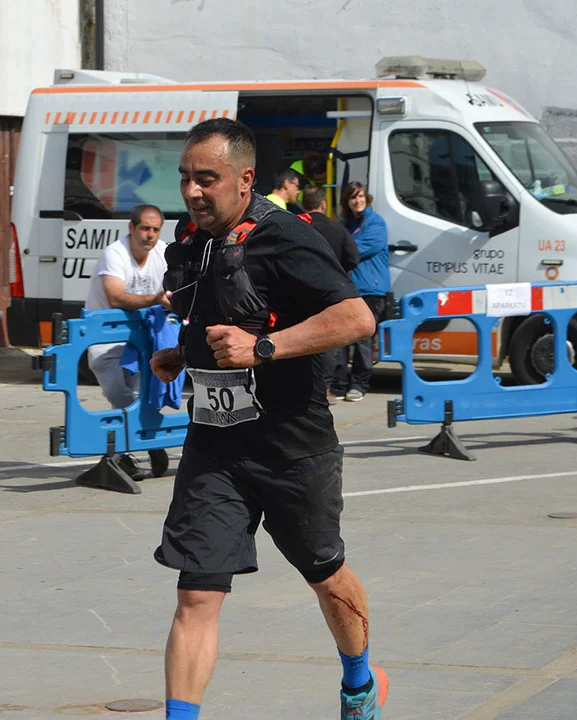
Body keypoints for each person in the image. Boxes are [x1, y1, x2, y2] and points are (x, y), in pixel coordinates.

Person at [149, 118, 387, 720]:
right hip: (215, 445)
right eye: (185, 178)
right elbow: (224, 316)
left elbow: (357, 319)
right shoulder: (195, 240)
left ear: (245, 179)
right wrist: (185, 353)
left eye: (207, 178)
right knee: (196, 593)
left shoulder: (286, 237)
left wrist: (264, 348)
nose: (193, 191)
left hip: (292, 447)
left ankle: (359, 681)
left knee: (325, 575)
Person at [83, 204, 171, 480]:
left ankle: (126, 454)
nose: (150, 235)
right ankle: (145, 442)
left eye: (155, 229)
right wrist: (157, 299)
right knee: (117, 395)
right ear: (131, 228)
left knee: (137, 397)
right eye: (145, 228)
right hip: (105, 340)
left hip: (138, 339)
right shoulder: (114, 253)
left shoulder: (162, 252)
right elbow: (115, 297)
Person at [300, 187, 360, 404]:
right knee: (327, 339)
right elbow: (353, 258)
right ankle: (325, 388)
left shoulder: (294, 226)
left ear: (303, 205)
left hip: (299, 289)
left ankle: (306, 385)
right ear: (323, 205)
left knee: (301, 337)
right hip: (330, 290)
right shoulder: (337, 228)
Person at [337, 181, 390, 402]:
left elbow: (356, 250)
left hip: (371, 290)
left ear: (367, 198)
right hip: (348, 290)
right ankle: (339, 385)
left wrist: (341, 246)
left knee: (362, 341)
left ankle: (359, 384)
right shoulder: (344, 225)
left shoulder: (376, 223)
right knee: (341, 339)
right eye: (353, 197)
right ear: (347, 202)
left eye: (360, 196)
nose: (357, 201)